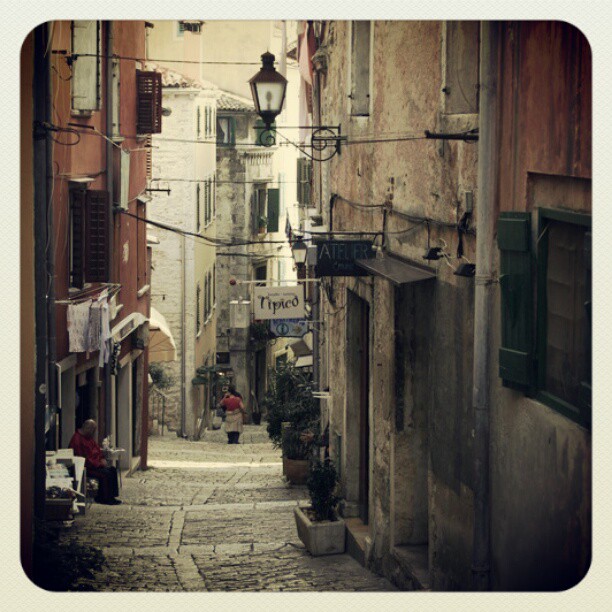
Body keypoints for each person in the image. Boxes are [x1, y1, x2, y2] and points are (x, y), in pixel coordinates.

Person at [69, 419, 121, 505]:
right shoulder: (77, 440)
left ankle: (111, 496)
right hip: (88, 467)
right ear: (88, 428)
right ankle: (104, 498)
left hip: (95, 463)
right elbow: (84, 459)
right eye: (93, 430)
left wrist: (102, 458)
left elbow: (97, 450)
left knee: (112, 470)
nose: (93, 433)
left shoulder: (89, 438)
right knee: (105, 474)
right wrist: (100, 464)